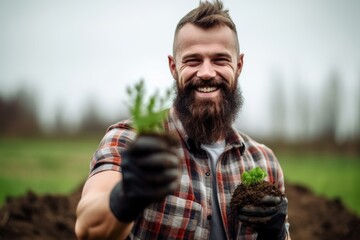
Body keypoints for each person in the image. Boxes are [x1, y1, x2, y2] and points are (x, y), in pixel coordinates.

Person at [75, 1, 290, 239]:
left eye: (220, 60)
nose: (207, 72)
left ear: (238, 66)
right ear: (173, 67)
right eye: (193, 60)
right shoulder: (131, 141)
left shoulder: (264, 162)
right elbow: (88, 228)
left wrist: (278, 233)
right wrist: (125, 196)